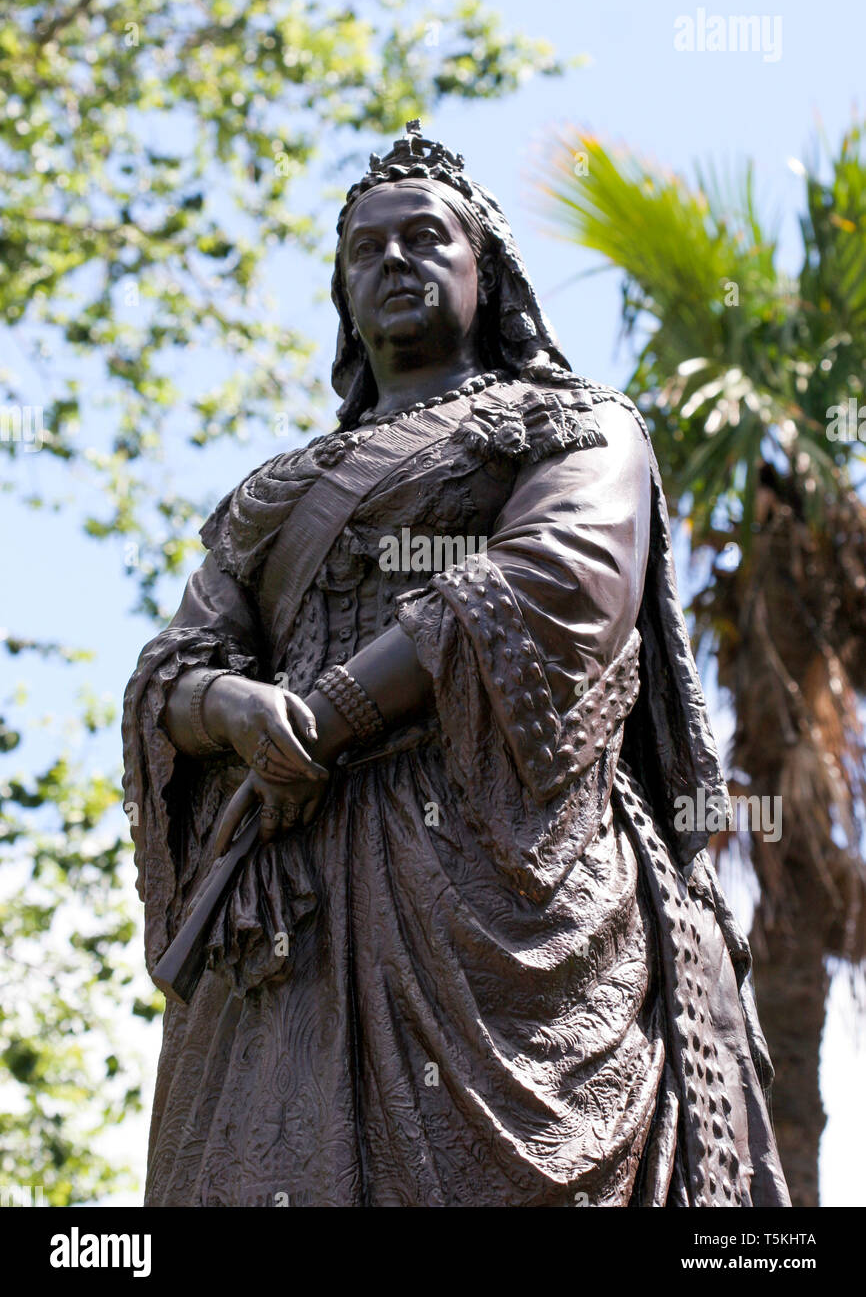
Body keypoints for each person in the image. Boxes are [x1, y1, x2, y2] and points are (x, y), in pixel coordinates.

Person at [123, 123, 790, 1207]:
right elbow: (171, 665)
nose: (392, 261)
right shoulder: (274, 490)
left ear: (487, 274)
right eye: (365, 249)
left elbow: (548, 582)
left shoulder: (574, 426)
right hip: (292, 897)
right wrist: (234, 707)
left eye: (425, 237)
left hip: (497, 865)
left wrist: (331, 711)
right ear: (343, 292)